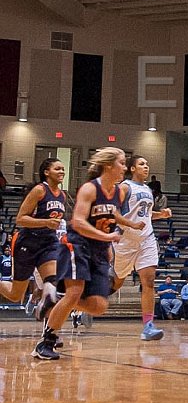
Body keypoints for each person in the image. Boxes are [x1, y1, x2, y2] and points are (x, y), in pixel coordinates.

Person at [35, 148, 145, 361]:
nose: (124, 168)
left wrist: (112, 240)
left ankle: (53, 299)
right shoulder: (89, 188)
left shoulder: (119, 192)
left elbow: (112, 213)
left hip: (99, 249)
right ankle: (46, 342)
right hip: (77, 244)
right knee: (75, 292)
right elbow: (77, 222)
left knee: (98, 306)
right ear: (108, 166)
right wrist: (107, 238)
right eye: (122, 163)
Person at [110, 156, 173, 341]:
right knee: (117, 282)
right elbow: (112, 212)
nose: (146, 167)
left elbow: (144, 215)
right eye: (141, 164)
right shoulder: (124, 187)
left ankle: (148, 326)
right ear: (131, 168)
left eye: (147, 164)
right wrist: (131, 224)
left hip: (146, 240)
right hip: (125, 241)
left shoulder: (147, 189)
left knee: (149, 282)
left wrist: (161, 214)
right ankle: (88, 304)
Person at [0, 159, 66, 313]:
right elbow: (21, 219)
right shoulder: (39, 190)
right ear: (46, 172)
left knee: (52, 282)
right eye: (58, 169)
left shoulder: (62, 195)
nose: (62, 171)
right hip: (28, 242)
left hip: (49, 242)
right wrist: (47, 222)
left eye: (63, 169)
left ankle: (49, 332)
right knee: (15, 295)